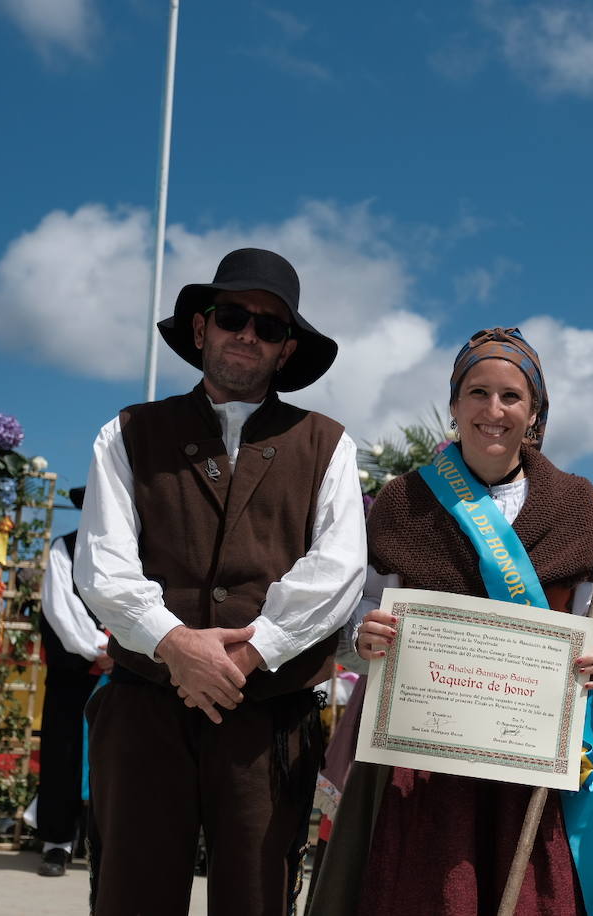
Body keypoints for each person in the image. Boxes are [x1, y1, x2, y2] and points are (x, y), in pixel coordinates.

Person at [75, 248, 367, 915]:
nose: (247, 334)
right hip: (145, 705)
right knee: (131, 895)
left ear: (286, 349)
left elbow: (338, 569)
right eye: (233, 315)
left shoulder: (328, 443)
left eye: (268, 327)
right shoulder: (127, 433)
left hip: (266, 716)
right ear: (202, 327)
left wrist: (248, 652)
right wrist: (175, 644)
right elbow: (103, 564)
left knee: (258, 899)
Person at [316, 326, 593, 916]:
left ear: (534, 414)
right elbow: (360, 603)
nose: (493, 410)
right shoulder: (404, 500)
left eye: (511, 397)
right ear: (455, 405)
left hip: (528, 759)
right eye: (477, 393)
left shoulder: (576, 504)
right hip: (422, 757)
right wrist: (362, 633)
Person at [35, 486, 111, 878]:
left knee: (122, 760)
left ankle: (112, 844)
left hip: (125, 671)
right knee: (64, 751)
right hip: (77, 669)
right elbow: (61, 609)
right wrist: (101, 647)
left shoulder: (134, 550)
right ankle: (57, 843)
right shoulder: (64, 548)